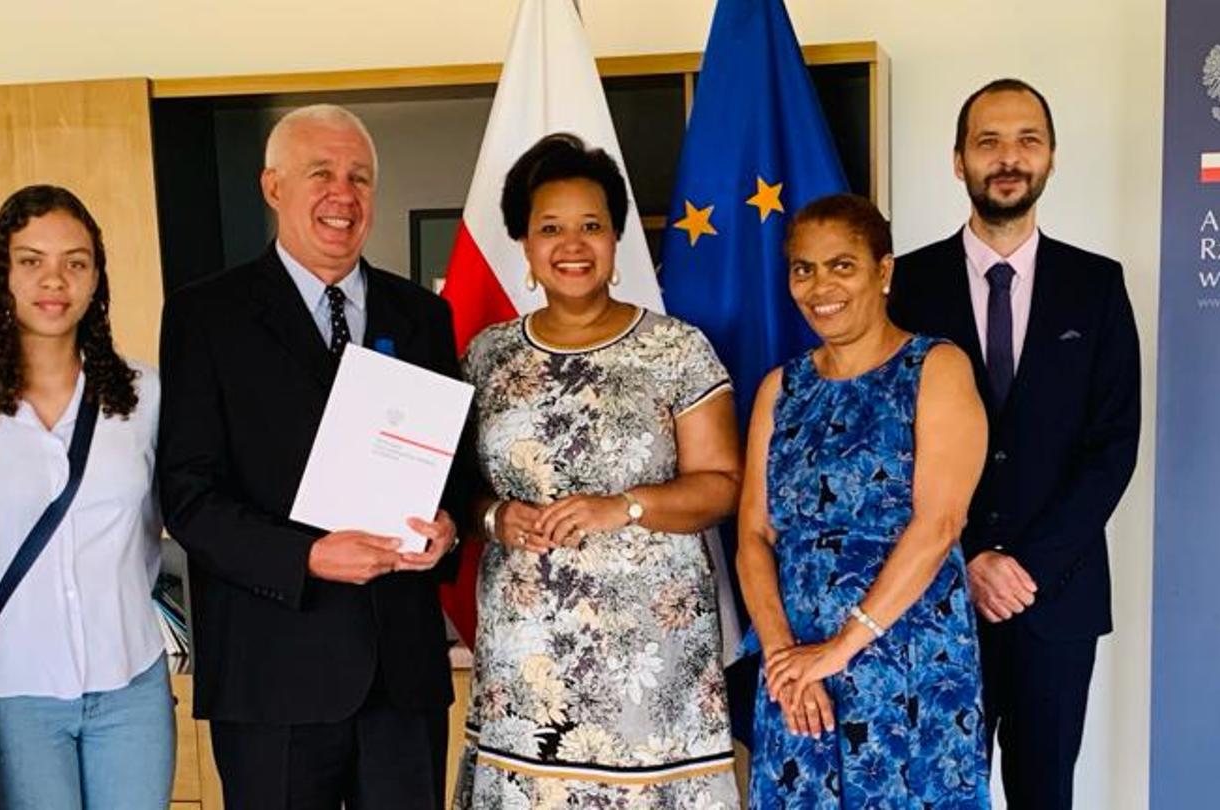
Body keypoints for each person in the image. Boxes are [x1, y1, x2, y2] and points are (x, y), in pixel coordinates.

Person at [156, 104, 466, 809]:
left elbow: (453, 468)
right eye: (321, 172)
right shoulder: (207, 316)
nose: (343, 193)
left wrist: (447, 527)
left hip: (403, 676)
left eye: (359, 177)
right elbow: (188, 495)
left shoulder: (423, 316)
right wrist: (306, 558)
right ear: (272, 187)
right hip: (273, 675)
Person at [454, 133, 743, 808]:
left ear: (616, 239)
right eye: (550, 228)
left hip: (652, 658)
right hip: (527, 662)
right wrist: (496, 516)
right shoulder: (487, 355)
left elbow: (721, 486)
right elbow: (457, 490)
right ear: (524, 246)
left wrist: (625, 506)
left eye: (591, 226)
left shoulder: (675, 348)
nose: (572, 245)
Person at [888, 78, 1142, 810]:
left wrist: (1021, 567)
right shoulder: (903, 285)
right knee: (932, 791)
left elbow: (1111, 447)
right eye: (988, 141)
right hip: (931, 594)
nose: (1008, 157)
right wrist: (965, 556)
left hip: (1055, 601)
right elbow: (889, 443)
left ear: (1052, 158)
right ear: (958, 158)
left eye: (1027, 140)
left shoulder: (1096, 286)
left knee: (1045, 797)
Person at [736, 193, 991, 808]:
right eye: (804, 268)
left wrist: (839, 650)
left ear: (884, 271)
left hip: (907, 660)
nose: (820, 285)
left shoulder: (936, 367)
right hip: (795, 671)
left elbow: (939, 524)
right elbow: (753, 534)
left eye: (841, 265)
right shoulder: (781, 388)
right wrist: (784, 660)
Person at [0, 185, 173, 809]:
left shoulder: (145, 396)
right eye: (31, 260)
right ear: (0, 275)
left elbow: (181, 516)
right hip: (14, 693)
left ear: (96, 279)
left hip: (130, 686)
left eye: (75, 262)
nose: (54, 280)